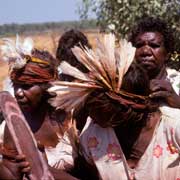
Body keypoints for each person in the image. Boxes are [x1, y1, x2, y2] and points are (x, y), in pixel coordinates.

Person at [49, 33, 180, 180]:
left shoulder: (174, 128)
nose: (96, 121)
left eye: (107, 119)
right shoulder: (93, 137)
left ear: (131, 111)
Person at [0, 37, 78, 180]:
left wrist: (44, 169)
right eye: (16, 85)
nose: (18, 92)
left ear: (46, 86)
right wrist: (11, 168)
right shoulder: (13, 125)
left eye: (27, 86)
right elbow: (8, 174)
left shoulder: (70, 119)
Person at [128, 16, 180, 108]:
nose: (145, 52)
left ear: (167, 54)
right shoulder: (123, 85)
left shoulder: (177, 83)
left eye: (154, 45)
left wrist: (177, 101)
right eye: (139, 45)